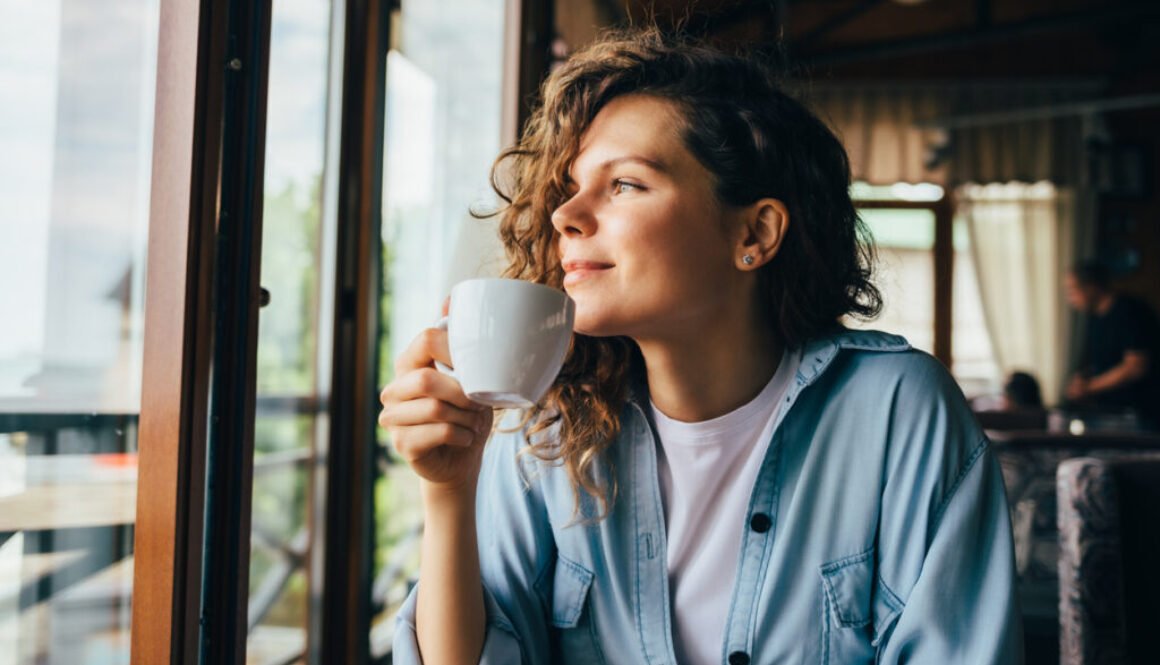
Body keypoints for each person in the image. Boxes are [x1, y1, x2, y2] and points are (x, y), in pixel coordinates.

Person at [380, 29, 1021, 664]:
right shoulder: (546, 427)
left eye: (625, 184)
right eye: (570, 187)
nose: (564, 215)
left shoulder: (898, 412)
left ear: (755, 231)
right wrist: (448, 493)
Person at [1064, 261, 1160, 427]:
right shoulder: (1095, 319)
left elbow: (1135, 367)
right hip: (1110, 412)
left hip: (1139, 415)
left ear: (1091, 286)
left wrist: (1089, 387)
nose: (1070, 299)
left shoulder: (1130, 311)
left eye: (1073, 290)